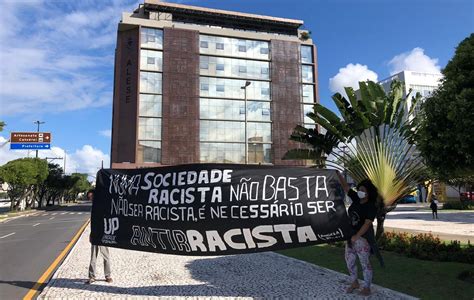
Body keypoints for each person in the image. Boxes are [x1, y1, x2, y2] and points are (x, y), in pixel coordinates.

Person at [337, 173, 379, 296]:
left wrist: (357, 236)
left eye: (362, 190)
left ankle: (367, 287)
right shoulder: (356, 198)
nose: (359, 191)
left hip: (363, 239)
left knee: (365, 263)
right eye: (359, 189)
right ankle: (354, 282)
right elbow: (346, 187)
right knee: (349, 260)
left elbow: (367, 224)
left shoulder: (371, 206)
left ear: (368, 192)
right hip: (351, 236)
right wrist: (338, 174)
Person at [86, 190, 113, 284]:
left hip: (103, 235)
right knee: (93, 257)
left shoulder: (102, 205)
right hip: (95, 235)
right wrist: (91, 234)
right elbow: (92, 223)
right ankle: (91, 276)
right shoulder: (93, 207)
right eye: (89, 197)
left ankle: (108, 276)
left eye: (91, 197)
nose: (90, 199)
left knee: (106, 256)